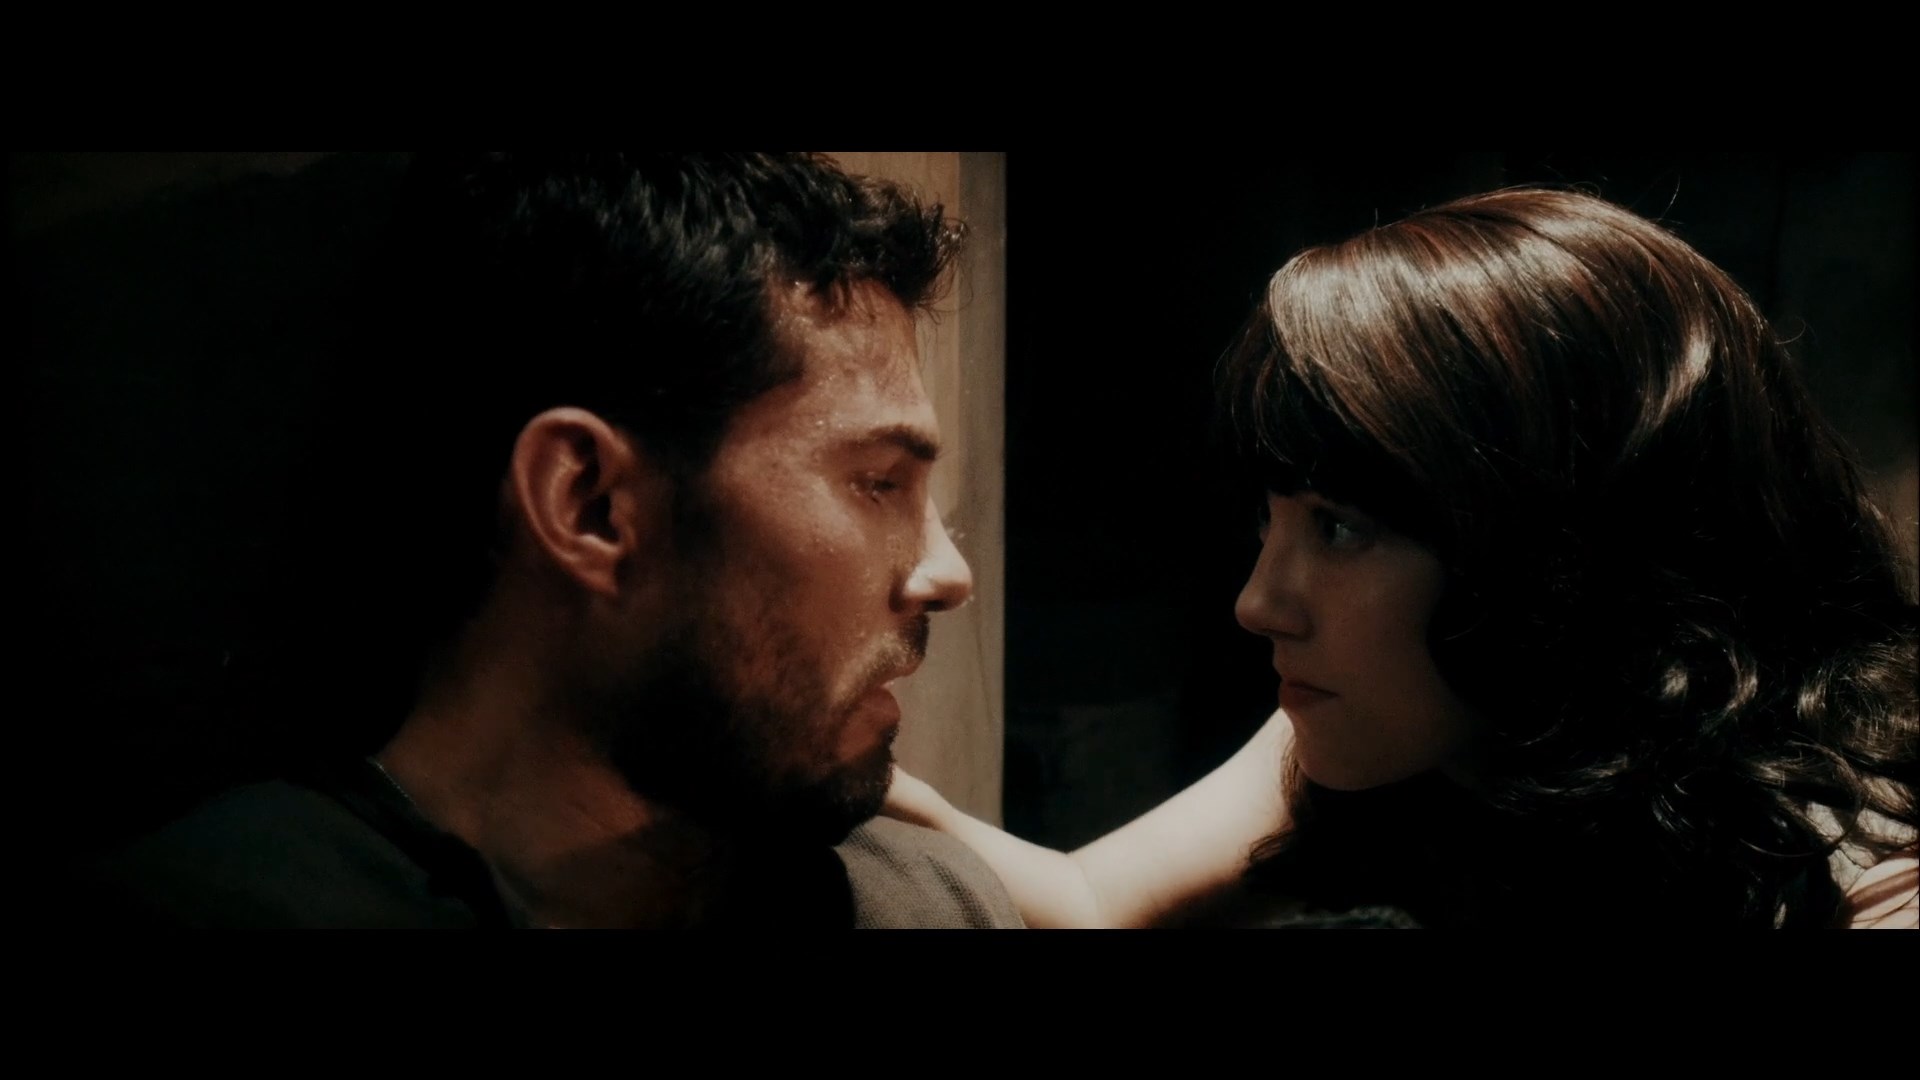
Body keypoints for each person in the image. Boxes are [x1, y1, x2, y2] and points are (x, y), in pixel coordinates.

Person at [887, 187, 1918, 929]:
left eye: (1339, 527)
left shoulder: (1859, 870)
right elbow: (1087, 901)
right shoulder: (1410, 724)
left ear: (1560, 548)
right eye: (1270, 523)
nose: (1258, 604)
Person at [68, 153, 1022, 928]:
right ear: (590, 505)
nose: (949, 573)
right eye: (878, 483)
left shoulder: (920, 905)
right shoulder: (204, 910)